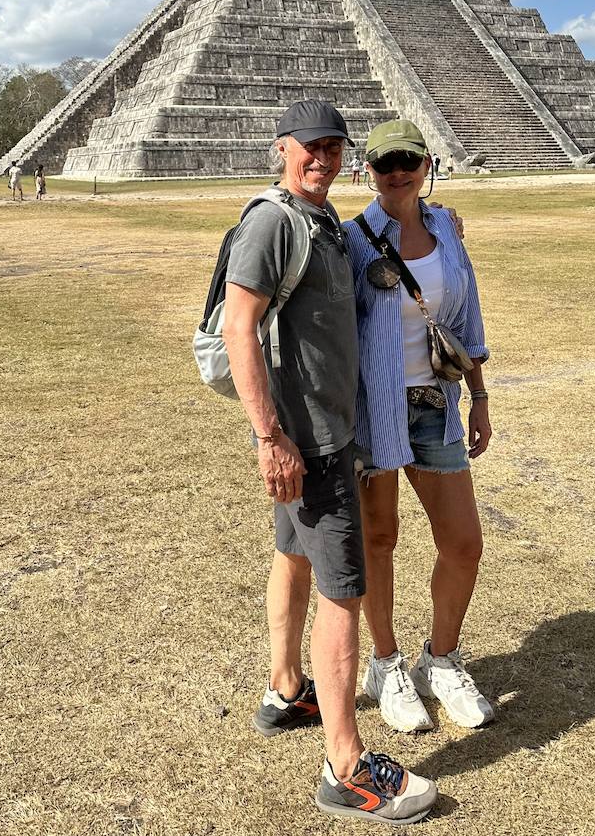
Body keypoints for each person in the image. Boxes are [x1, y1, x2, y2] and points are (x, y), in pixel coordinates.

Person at [221, 99, 437, 824]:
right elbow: (238, 326)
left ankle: (286, 691)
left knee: (294, 556)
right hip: (305, 440)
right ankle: (344, 766)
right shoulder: (271, 222)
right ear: (280, 149)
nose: (322, 158)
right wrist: (269, 437)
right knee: (344, 592)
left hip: (322, 431)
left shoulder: (320, 221)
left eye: (333, 147)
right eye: (308, 147)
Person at [343, 119, 493, 735]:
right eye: (384, 164)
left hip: (436, 403)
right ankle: (384, 664)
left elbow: (469, 312)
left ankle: (443, 659)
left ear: (427, 162)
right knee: (378, 539)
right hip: (375, 405)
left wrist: (480, 395)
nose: (397, 172)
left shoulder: (448, 230)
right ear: (369, 171)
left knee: (462, 541)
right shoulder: (349, 240)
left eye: (408, 159)